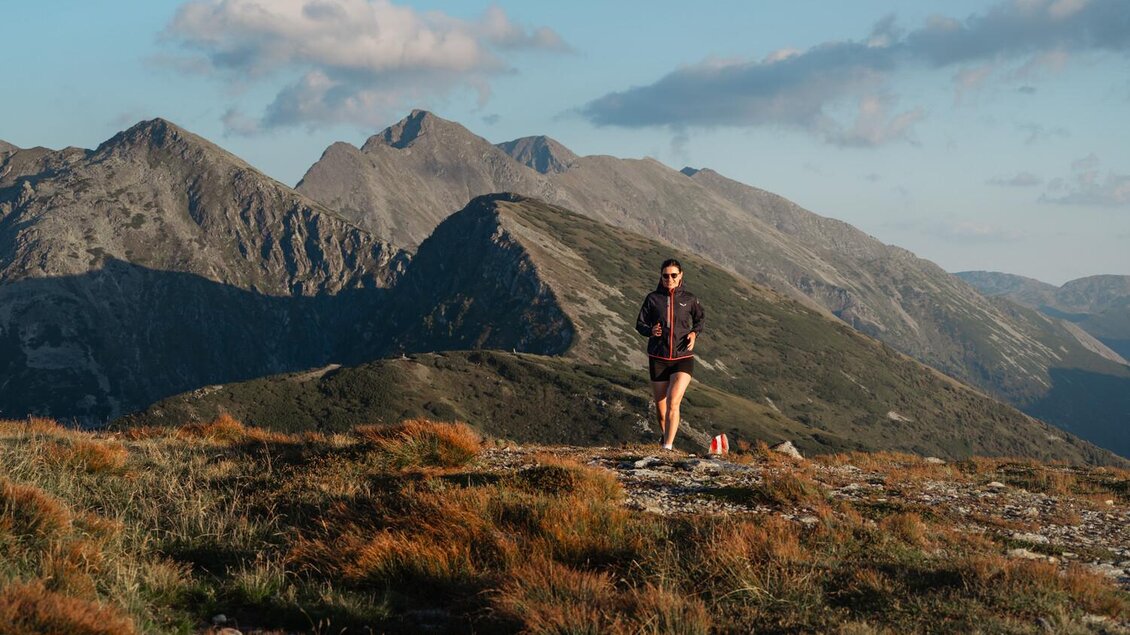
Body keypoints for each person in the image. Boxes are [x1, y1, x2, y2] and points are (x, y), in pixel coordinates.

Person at [635, 259, 705, 450]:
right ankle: (665, 437)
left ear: (681, 275)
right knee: (661, 409)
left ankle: (667, 447)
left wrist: (693, 333)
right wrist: (650, 331)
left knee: (674, 401)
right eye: (666, 275)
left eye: (674, 275)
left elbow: (700, 319)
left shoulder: (689, 299)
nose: (670, 279)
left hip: (683, 358)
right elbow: (640, 324)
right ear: (661, 277)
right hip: (658, 358)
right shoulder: (652, 299)